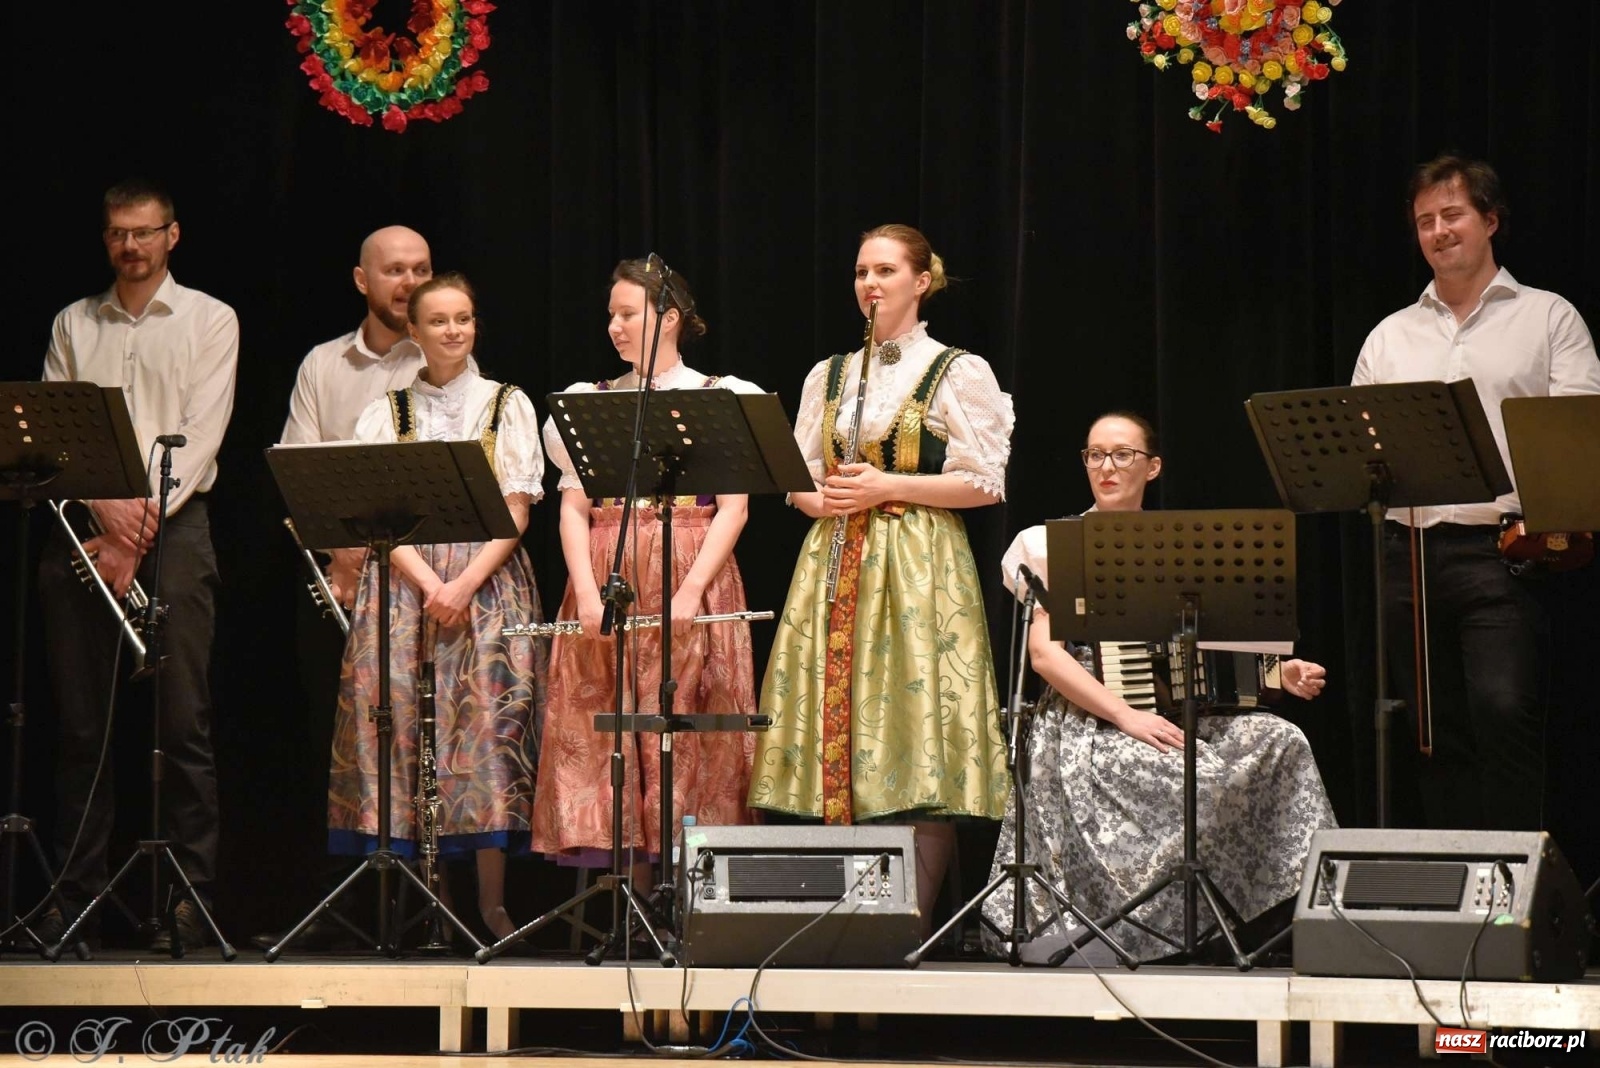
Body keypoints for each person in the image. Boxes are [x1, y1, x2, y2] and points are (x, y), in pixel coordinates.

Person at [980, 411, 1337, 963]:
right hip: (1088, 720)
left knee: (1282, 741)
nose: (1106, 466)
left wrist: (1278, 674)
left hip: (1173, 708)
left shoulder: (1182, 545)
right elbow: (1046, 656)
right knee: (1183, 769)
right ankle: (1141, 930)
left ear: (1153, 467)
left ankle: (1292, 921)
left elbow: (1209, 651)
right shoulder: (1049, 542)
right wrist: (1126, 716)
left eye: (1122, 454)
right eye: (1095, 455)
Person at [749, 224, 1013, 932]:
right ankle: (839, 920)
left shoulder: (955, 369)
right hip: (835, 560)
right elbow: (797, 476)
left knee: (912, 732)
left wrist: (887, 487)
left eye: (887, 270)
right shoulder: (828, 374)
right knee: (840, 731)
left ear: (922, 281)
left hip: (919, 562)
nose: (871, 284)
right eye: (863, 270)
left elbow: (984, 481)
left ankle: (907, 925)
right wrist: (827, 499)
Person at [1352, 154, 1600, 832]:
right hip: (1407, 555)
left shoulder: (1549, 317)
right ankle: (1458, 891)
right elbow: (1359, 447)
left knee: (1503, 713)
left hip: (1504, 549)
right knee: (1434, 734)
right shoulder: (1389, 335)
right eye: (1425, 221)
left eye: (1453, 215)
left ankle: (1513, 896)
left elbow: (1578, 434)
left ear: (1490, 221)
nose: (1438, 231)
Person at [37, 178, 239, 952]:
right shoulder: (73, 324)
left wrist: (133, 534)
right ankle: (73, 897)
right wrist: (106, 515)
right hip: (86, 523)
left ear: (172, 236)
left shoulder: (209, 319)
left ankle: (188, 901)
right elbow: (59, 432)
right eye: (118, 234)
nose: (130, 247)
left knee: (182, 721)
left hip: (173, 529)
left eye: (144, 233)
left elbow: (201, 434)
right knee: (81, 728)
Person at [327, 272, 546, 942]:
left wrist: (463, 584)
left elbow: (515, 510)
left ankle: (491, 904)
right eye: (440, 321)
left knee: (483, 739)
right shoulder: (386, 411)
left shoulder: (506, 403)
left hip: (485, 583)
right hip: (404, 586)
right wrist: (427, 582)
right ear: (415, 332)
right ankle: (431, 904)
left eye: (464, 319)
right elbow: (375, 518)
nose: (454, 331)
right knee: (405, 733)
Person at [531, 259, 760, 883]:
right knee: (608, 727)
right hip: (609, 575)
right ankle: (626, 896)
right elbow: (574, 506)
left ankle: (688, 892)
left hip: (691, 567)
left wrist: (690, 590)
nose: (615, 326)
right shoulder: (590, 404)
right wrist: (582, 591)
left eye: (628, 313)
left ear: (670, 319)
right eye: (611, 314)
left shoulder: (721, 397)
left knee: (687, 724)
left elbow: (733, 510)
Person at [255, 225, 435, 951]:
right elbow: (298, 469)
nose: (411, 284)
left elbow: (448, 477)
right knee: (335, 742)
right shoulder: (323, 365)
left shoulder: (445, 353)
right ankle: (340, 906)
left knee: (414, 742)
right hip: (337, 577)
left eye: (421, 269)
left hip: (416, 583)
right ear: (363, 280)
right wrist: (344, 555)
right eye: (396, 271)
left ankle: (420, 906)